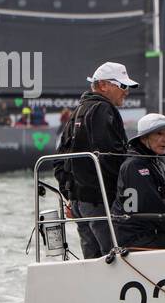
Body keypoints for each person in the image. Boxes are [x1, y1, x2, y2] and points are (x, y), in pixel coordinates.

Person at [54, 61, 134, 259]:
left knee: (93, 262)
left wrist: (70, 196)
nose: (126, 92)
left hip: (80, 203)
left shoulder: (78, 111)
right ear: (104, 85)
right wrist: (128, 187)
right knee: (115, 258)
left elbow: (59, 160)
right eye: (122, 86)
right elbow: (111, 157)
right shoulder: (103, 109)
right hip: (100, 201)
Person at [110, 113, 165, 250]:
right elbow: (155, 207)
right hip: (136, 237)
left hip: (149, 231)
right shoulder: (135, 165)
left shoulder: (155, 161)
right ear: (144, 138)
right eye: (159, 134)